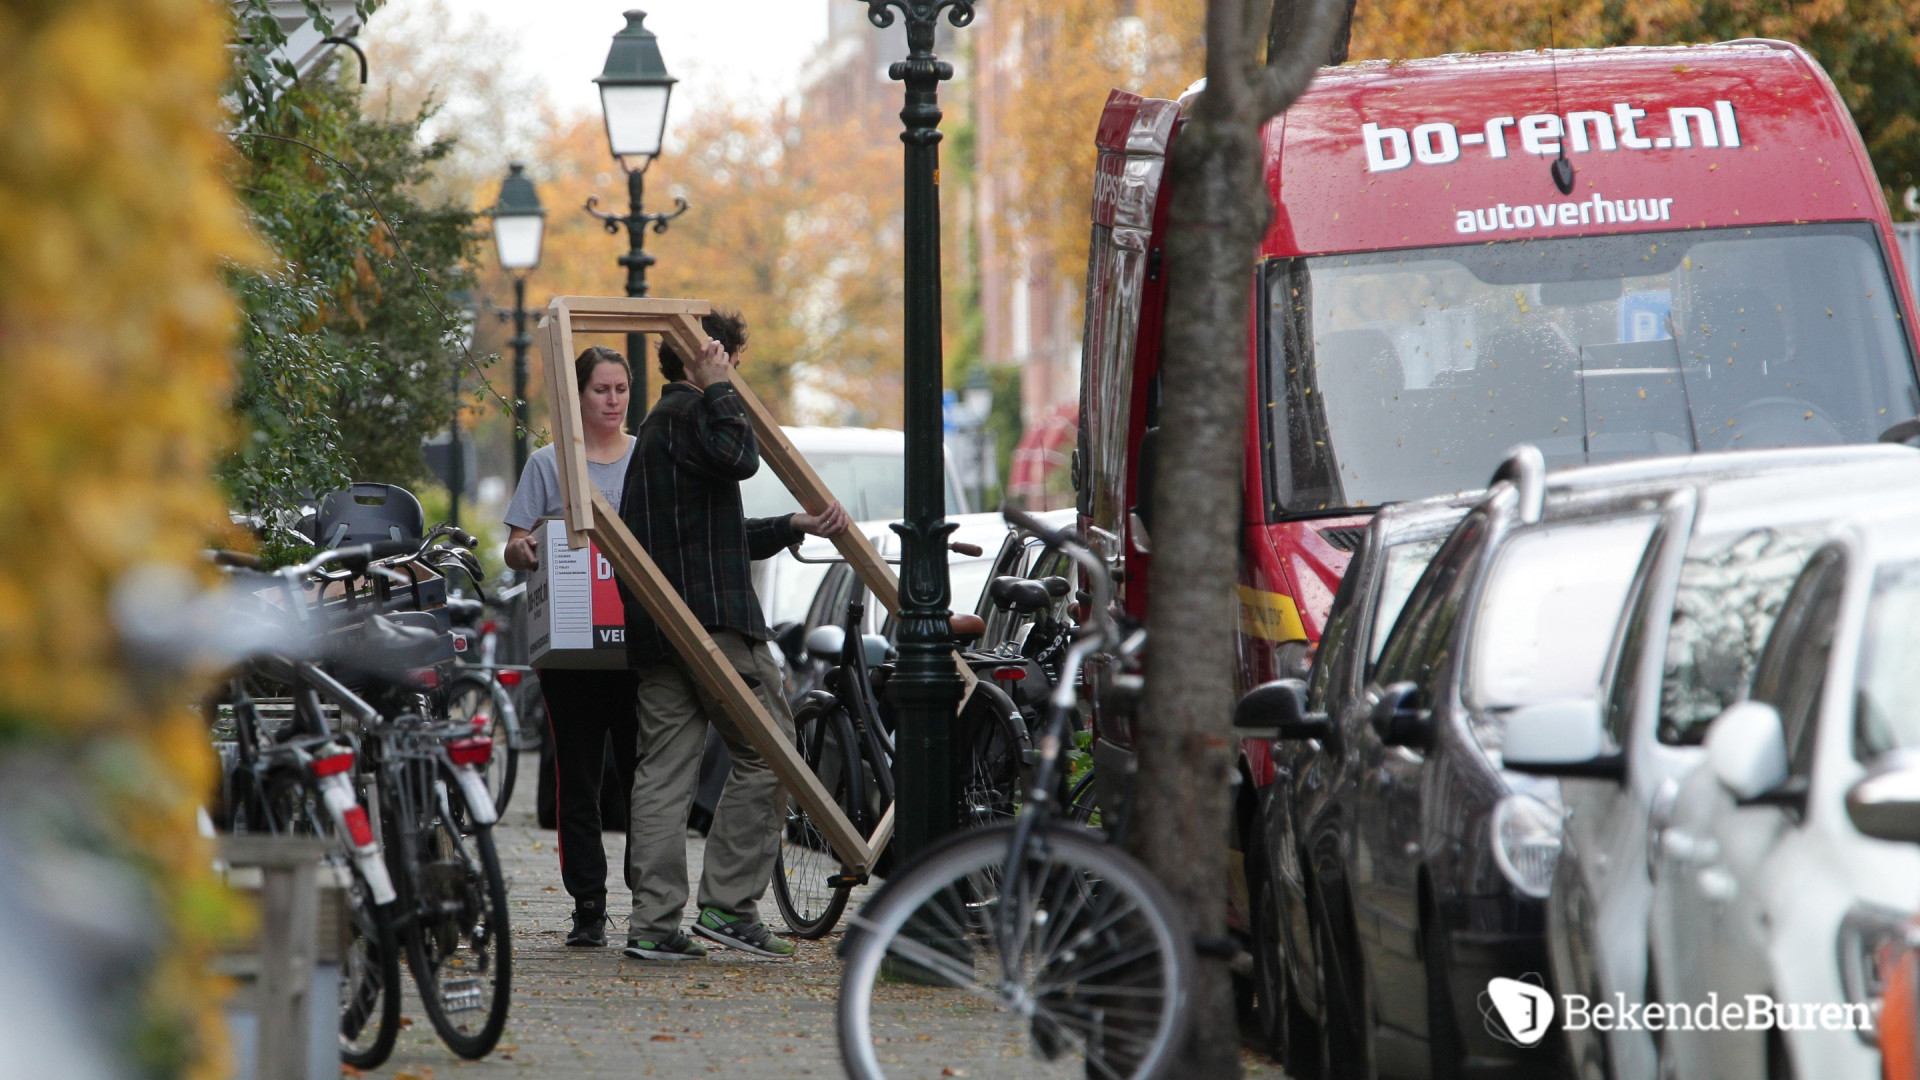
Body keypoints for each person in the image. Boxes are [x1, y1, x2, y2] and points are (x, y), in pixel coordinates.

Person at [619, 309, 849, 961]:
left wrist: (792, 526)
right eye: (730, 358)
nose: (736, 372)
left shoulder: (659, 429)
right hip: (716, 624)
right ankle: (727, 905)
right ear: (710, 355)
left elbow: (711, 536)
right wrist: (718, 387)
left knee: (664, 772)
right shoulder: (695, 415)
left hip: (665, 627)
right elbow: (741, 457)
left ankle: (653, 924)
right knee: (771, 753)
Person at [502, 345, 640, 948]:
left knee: (648, 778)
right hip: (571, 652)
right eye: (600, 390)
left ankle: (651, 901)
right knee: (578, 777)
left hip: (639, 644)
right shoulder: (547, 464)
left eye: (621, 389)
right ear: (576, 396)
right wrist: (524, 549)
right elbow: (514, 542)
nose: (612, 401)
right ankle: (588, 907)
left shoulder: (646, 459)